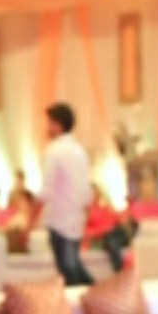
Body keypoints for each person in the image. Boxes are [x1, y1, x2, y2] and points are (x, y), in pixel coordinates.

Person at [41, 102, 96, 285]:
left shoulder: (54, 151)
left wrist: (31, 217)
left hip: (59, 220)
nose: (47, 128)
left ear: (58, 125)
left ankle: (97, 296)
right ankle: (98, 294)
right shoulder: (79, 151)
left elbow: (46, 190)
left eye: (49, 123)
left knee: (69, 271)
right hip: (76, 219)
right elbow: (86, 191)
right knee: (74, 268)